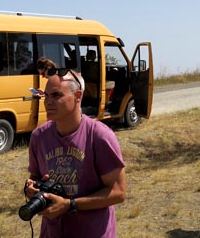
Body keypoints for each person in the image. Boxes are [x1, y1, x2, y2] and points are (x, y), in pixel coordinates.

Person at [26, 69, 126, 238]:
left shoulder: (99, 136)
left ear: (78, 96)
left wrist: (70, 205)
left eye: (56, 95)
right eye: (46, 96)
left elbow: (118, 192)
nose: (48, 102)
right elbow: (34, 176)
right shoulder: (39, 137)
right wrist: (32, 188)